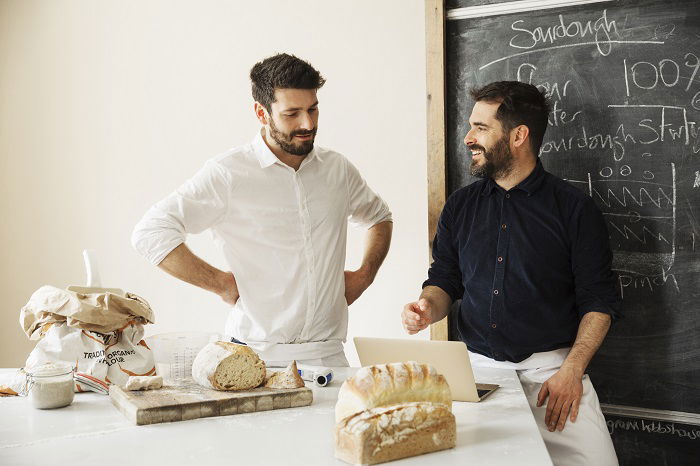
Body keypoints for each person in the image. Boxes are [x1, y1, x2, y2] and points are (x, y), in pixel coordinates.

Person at [401, 81, 620, 465]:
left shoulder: (575, 210)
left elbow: (599, 301)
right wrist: (426, 307)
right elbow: (445, 279)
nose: (469, 137)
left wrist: (572, 371)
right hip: (478, 374)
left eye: (481, 128)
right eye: (471, 126)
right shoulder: (460, 206)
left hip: (555, 376)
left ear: (519, 135)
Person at [133, 53, 392, 367]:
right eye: (292, 113)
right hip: (255, 357)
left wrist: (364, 276)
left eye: (313, 109)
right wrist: (221, 283)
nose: (307, 124)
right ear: (261, 112)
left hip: (330, 357)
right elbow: (151, 232)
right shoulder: (228, 173)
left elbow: (378, 217)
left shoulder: (338, 169)